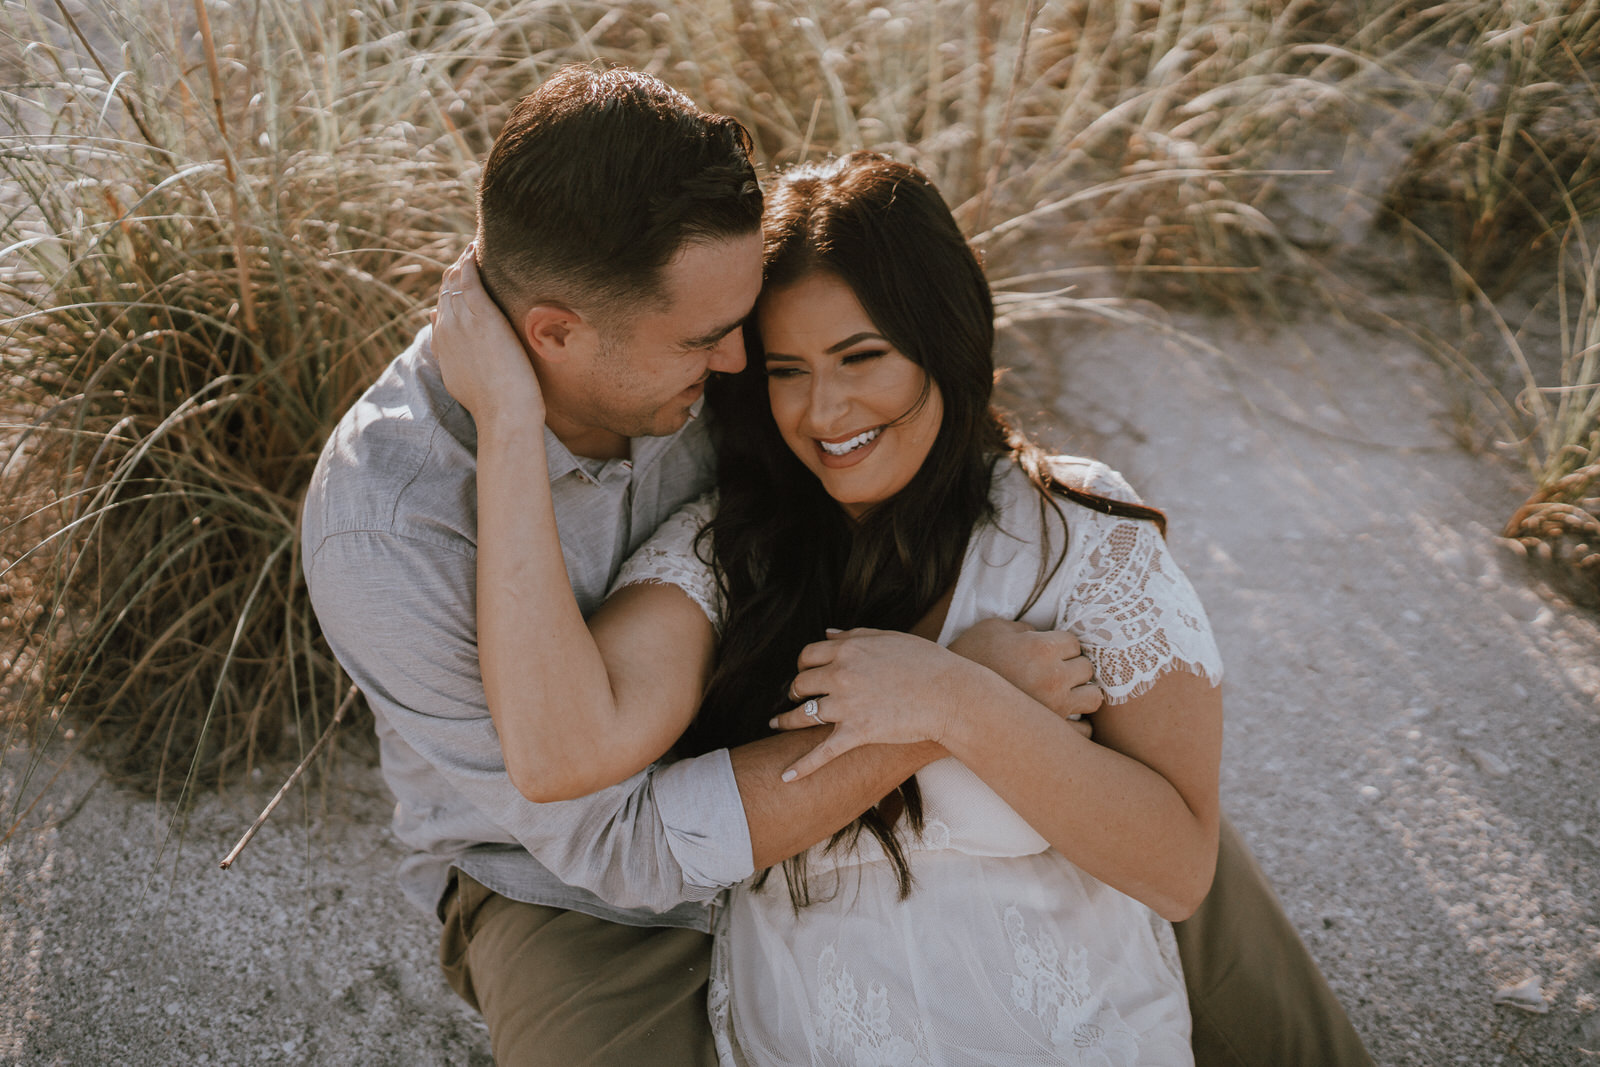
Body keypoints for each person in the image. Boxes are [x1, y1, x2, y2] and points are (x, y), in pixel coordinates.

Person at [304, 64, 1370, 1065]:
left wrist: (988, 697)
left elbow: (887, 375)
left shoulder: (714, 353)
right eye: (729, 349)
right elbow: (607, 827)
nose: (744, 374)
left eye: (749, 341)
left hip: (803, 739)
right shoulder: (386, 534)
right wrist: (508, 429)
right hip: (569, 878)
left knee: (1159, 829)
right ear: (553, 337)